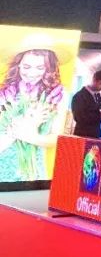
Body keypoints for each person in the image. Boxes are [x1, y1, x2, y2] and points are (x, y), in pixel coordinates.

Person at [0, 46, 68, 181]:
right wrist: (25, 124)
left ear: (48, 68)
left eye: (40, 68)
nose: (32, 73)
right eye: (26, 67)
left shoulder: (58, 95)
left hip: (33, 173)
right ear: (18, 65)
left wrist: (29, 135)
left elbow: (55, 138)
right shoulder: (4, 94)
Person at [71, 70, 101, 138]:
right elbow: (79, 118)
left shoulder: (97, 95)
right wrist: (99, 115)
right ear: (94, 80)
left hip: (95, 135)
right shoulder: (79, 96)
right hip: (83, 135)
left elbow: (98, 111)